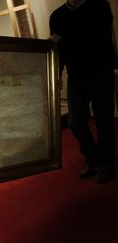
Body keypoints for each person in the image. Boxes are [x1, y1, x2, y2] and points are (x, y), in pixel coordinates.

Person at [49, 0, 117, 183]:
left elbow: (97, 38)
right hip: (76, 78)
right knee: (75, 121)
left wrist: (62, 39)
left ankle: (107, 164)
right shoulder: (56, 16)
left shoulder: (100, 5)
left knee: (105, 123)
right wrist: (56, 74)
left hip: (101, 74)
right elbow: (59, 51)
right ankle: (92, 157)